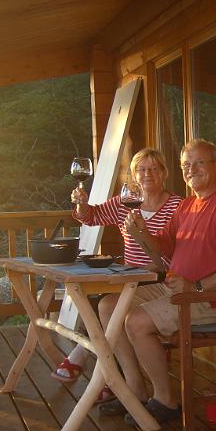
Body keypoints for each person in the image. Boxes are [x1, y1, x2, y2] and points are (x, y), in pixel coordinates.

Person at [104, 138, 216, 425]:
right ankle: (135, 389)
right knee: (108, 306)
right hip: (177, 289)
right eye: (186, 165)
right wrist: (141, 232)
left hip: (211, 299)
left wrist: (196, 287)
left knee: (136, 322)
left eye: (199, 162)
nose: (192, 169)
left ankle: (165, 401)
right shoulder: (187, 206)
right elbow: (163, 247)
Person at [51, 148, 183, 405]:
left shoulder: (177, 206)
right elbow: (91, 216)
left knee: (104, 306)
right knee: (103, 304)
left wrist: (146, 246)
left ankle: (90, 361)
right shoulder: (125, 202)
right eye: (141, 169)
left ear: (164, 173)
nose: (147, 174)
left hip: (160, 277)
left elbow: (177, 251)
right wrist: (81, 203)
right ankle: (130, 383)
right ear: (134, 175)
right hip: (130, 278)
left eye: (154, 169)